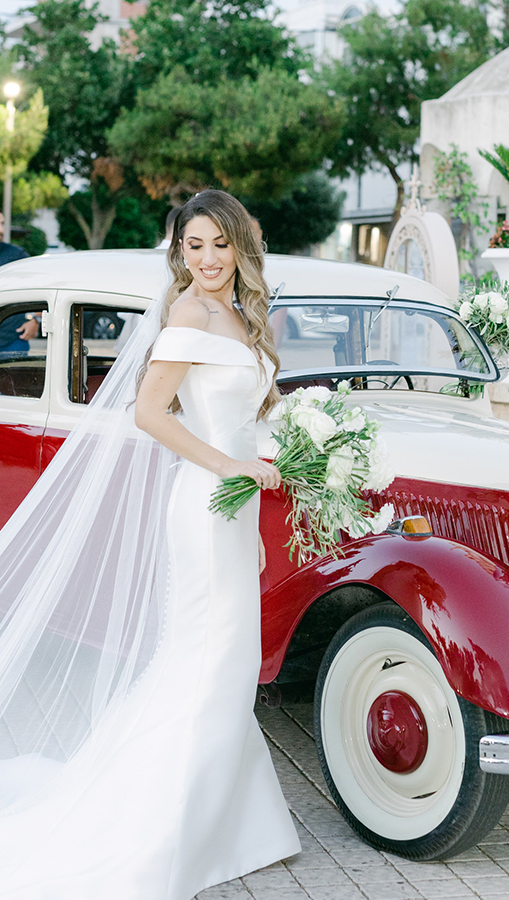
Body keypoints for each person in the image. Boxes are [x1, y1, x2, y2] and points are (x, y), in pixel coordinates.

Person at [0, 190, 300, 898]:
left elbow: (243, 425)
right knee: (209, 661)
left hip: (232, 507)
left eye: (218, 245)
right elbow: (147, 413)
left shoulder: (239, 315)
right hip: (201, 505)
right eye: (193, 247)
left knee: (224, 664)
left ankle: (230, 825)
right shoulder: (189, 312)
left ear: (238, 246)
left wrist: (254, 506)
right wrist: (232, 469)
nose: (207, 260)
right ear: (180, 252)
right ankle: (166, 834)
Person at [0, 216, 37, 354]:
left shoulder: (16, 255)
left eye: (2, 223)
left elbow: (42, 286)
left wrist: (37, 319)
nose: (1, 230)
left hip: (12, 343)